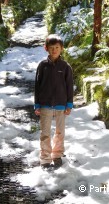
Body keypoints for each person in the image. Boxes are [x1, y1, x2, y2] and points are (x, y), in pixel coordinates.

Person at [34, 34, 73, 169]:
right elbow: (37, 85)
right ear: (46, 48)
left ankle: (57, 155)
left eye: (57, 47)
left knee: (60, 132)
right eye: (51, 47)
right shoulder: (42, 66)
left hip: (61, 105)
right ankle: (45, 159)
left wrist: (69, 104)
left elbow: (69, 86)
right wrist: (37, 103)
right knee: (45, 133)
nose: (54, 50)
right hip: (45, 104)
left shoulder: (66, 66)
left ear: (61, 48)